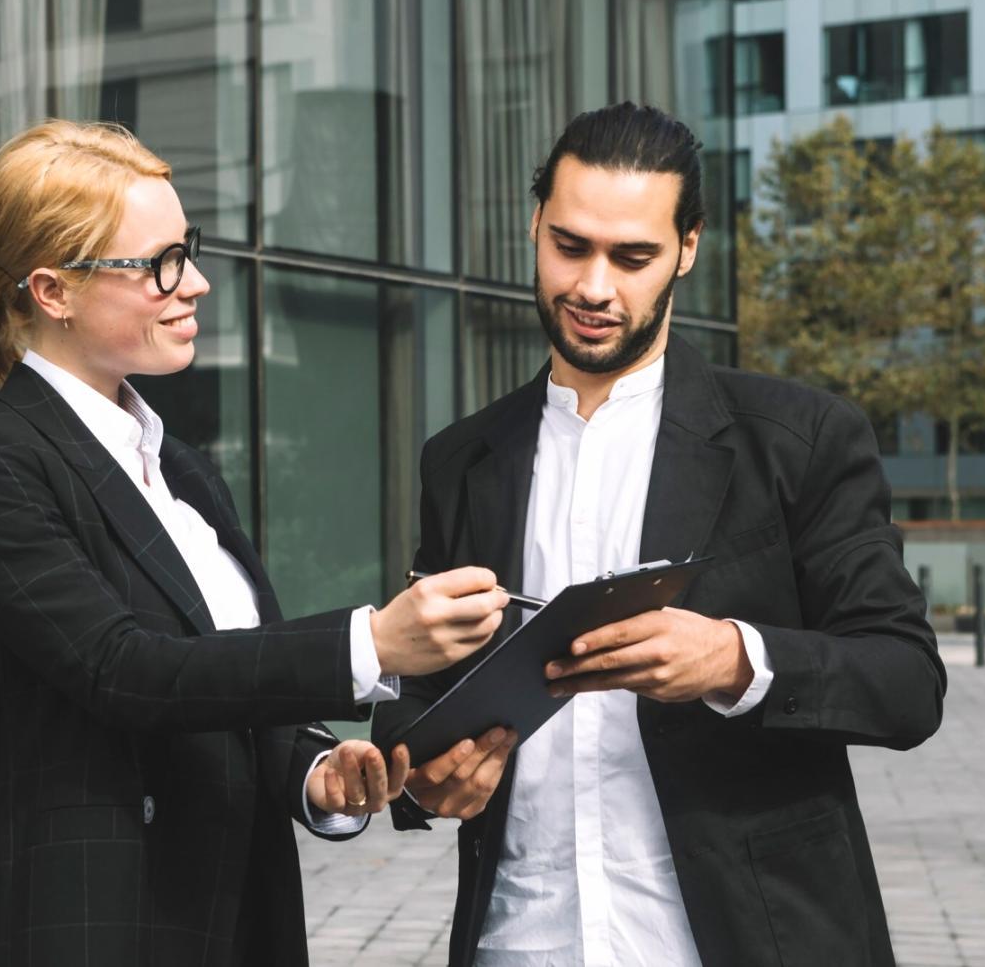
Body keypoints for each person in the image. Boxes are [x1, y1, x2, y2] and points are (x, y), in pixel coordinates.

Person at [0, 120, 510, 967]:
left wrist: (314, 770)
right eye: (157, 264)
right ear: (53, 291)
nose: (193, 283)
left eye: (187, 249)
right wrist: (370, 642)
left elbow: (225, 687)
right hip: (94, 928)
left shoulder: (183, 473)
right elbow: (126, 672)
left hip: (238, 922)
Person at [374, 102, 946, 967]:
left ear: (687, 246)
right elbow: (422, 697)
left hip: (741, 940)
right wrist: (419, 776)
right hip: (523, 940)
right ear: (534, 226)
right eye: (569, 246)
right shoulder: (462, 460)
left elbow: (907, 681)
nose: (594, 287)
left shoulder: (799, 440)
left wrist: (735, 660)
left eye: (632, 256)